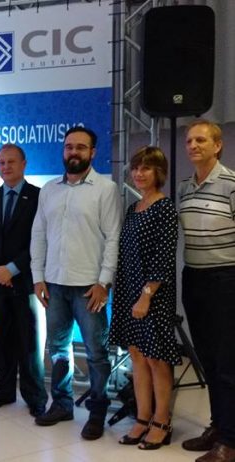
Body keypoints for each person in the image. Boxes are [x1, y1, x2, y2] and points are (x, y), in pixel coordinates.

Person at [30, 127, 122, 439]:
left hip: (89, 287)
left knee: (96, 352)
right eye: (69, 146)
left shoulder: (106, 189)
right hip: (54, 284)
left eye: (81, 147)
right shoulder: (49, 190)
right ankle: (62, 404)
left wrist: (103, 282)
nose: (74, 152)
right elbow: (39, 235)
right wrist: (38, 277)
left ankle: (97, 411)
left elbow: (113, 238)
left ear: (92, 152)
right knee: (58, 348)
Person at [110, 147, 180, 450]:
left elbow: (163, 259)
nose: (139, 173)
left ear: (158, 173)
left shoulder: (165, 208)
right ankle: (142, 417)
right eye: (136, 168)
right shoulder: (133, 208)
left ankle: (162, 421)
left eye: (146, 168)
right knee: (137, 355)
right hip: (129, 291)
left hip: (153, 294)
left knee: (156, 359)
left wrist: (146, 296)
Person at [0, 143, 47, 417]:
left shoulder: (39, 197)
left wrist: (12, 269)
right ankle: (4, 391)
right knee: (2, 341)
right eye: (2, 162)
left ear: (24, 164)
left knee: (29, 343)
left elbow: (41, 240)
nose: (6, 167)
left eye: (11, 162)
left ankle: (35, 396)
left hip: (25, 282)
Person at [179, 119, 235, 462]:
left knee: (228, 364)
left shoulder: (231, 184)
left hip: (226, 280)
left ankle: (230, 442)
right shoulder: (185, 188)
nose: (193, 146)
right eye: (189, 141)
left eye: (201, 140)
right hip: (195, 278)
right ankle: (218, 426)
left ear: (218, 145)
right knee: (208, 360)